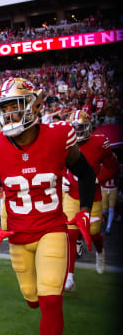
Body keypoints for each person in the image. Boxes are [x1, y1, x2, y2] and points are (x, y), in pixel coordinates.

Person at [0, 78, 96, 335]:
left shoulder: (58, 136)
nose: (8, 114)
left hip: (52, 229)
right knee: (32, 299)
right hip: (18, 235)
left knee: (51, 301)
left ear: (34, 105)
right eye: (3, 108)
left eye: (14, 106)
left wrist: (86, 209)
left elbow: (86, 174)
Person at [62, 110, 117, 291]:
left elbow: (113, 168)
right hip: (71, 195)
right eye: (74, 128)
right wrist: (62, 178)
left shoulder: (99, 143)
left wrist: (97, 179)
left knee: (93, 233)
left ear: (89, 127)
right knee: (70, 234)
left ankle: (100, 252)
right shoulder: (65, 142)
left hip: (93, 196)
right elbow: (59, 165)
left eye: (81, 127)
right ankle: (69, 277)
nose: (77, 132)